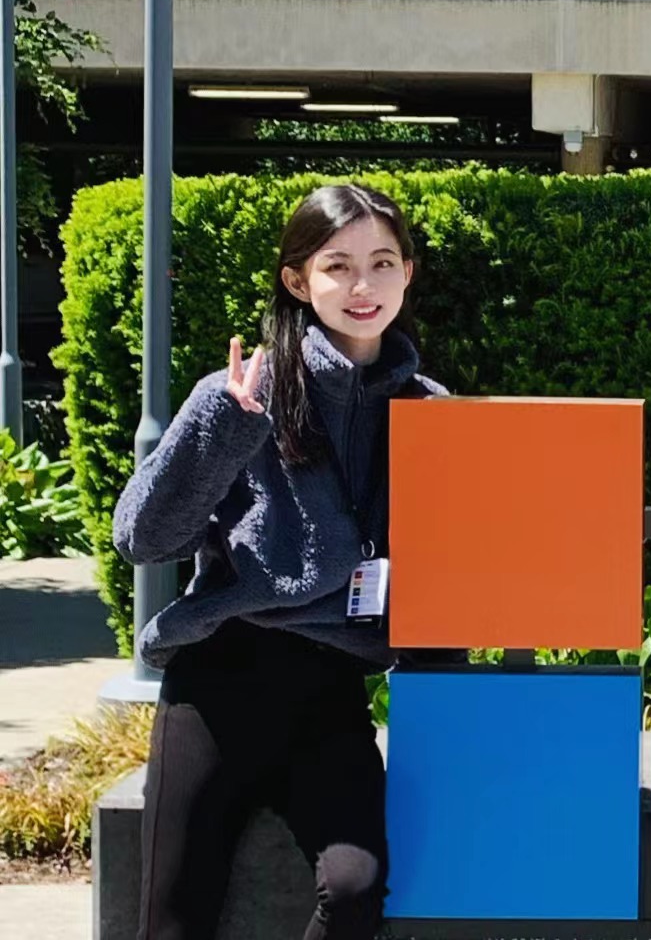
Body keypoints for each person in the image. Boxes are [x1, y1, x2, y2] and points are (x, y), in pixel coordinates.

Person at [113, 183, 448, 940]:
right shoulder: (237, 395)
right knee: (173, 916)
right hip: (220, 680)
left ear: (407, 274)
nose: (362, 286)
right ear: (298, 281)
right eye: (338, 266)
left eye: (382, 262)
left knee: (356, 887)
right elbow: (143, 538)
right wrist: (226, 431)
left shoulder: (428, 410)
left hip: (330, 691)